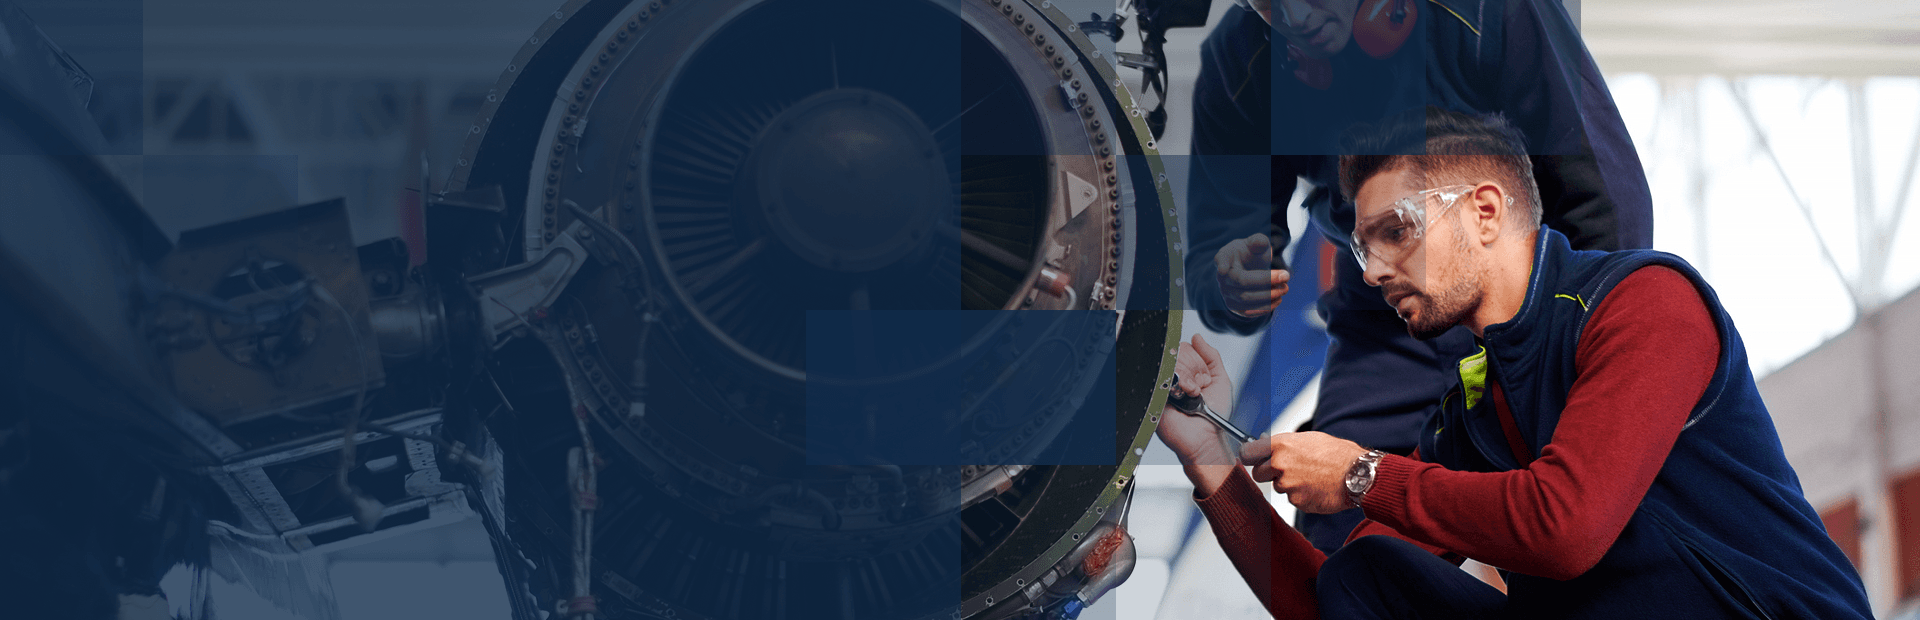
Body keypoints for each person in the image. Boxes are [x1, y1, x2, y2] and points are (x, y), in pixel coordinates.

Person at [1158, 112, 1871, 619]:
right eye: (1361, 248)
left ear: (1487, 212)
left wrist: (1358, 471)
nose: (1371, 273)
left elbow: (1567, 528)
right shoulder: (1474, 412)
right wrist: (1210, 463)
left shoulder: (1645, 303)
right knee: (1367, 571)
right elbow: (1329, 603)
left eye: (1395, 232)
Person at [1184, 0, 1655, 553]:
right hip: (1387, 328)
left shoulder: (1487, 11)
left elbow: (1603, 197)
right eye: (1267, 2)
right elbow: (1217, 249)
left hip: (1529, 307)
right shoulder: (1240, 59)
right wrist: (1234, 284)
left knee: (1595, 523)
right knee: (1342, 546)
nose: (1295, 16)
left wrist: (1575, 343)